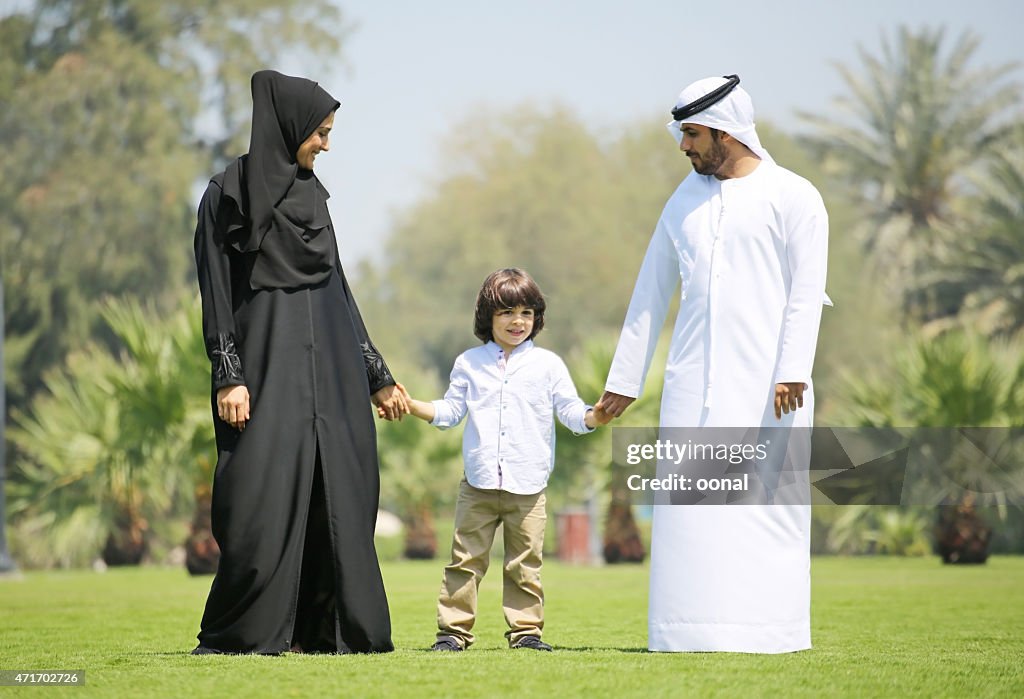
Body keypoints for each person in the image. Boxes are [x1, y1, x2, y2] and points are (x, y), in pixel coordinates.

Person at [598, 75, 830, 653]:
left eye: (692, 134)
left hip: (773, 388)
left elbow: (807, 292)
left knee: (767, 511)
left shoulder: (794, 195)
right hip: (691, 389)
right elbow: (650, 291)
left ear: (725, 132)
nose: (684, 146)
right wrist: (624, 380)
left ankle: (771, 634)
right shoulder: (684, 201)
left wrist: (793, 369)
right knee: (690, 515)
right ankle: (683, 633)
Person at [192, 70, 406, 655]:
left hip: (333, 367)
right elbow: (215, 293)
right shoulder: (226, 194)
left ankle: (330, 631)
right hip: (264, 366)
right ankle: (248, 630)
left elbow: (339, 287)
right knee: (256, 495)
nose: (326, 145)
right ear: (288, 127)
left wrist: (376, 373)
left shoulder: (315, 197)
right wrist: (227, 374)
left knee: (342, 488)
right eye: (320, 133)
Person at [392, 268, 610, 652]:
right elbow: (450, 411)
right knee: (464, 562)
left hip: (529, 485)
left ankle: (526, 633)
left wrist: (597, 416)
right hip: (477, 483)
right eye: (507, 312)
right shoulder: (469, 363)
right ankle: (452, 634)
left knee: (526, 565)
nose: (517, 321)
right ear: (488, 317)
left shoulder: (548, 366)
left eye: (527, 313)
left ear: (537, 319)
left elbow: (573, 412)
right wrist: (411, 405)